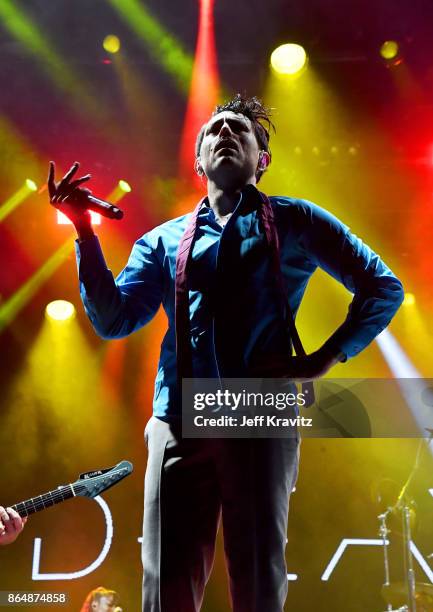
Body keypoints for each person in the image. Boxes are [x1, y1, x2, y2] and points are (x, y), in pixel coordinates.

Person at [48, 94, 404, 612]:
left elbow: (382, 286)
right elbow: (114, 319)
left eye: (240, 130)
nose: (226, 135)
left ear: (263, 159)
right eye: (214, 129)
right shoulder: (163, 241)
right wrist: (84, 231)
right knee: (167, 582)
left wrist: (325, 357)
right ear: (197, 161)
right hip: (178, 415)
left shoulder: (295, 220)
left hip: (259, 406)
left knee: (258, 578)